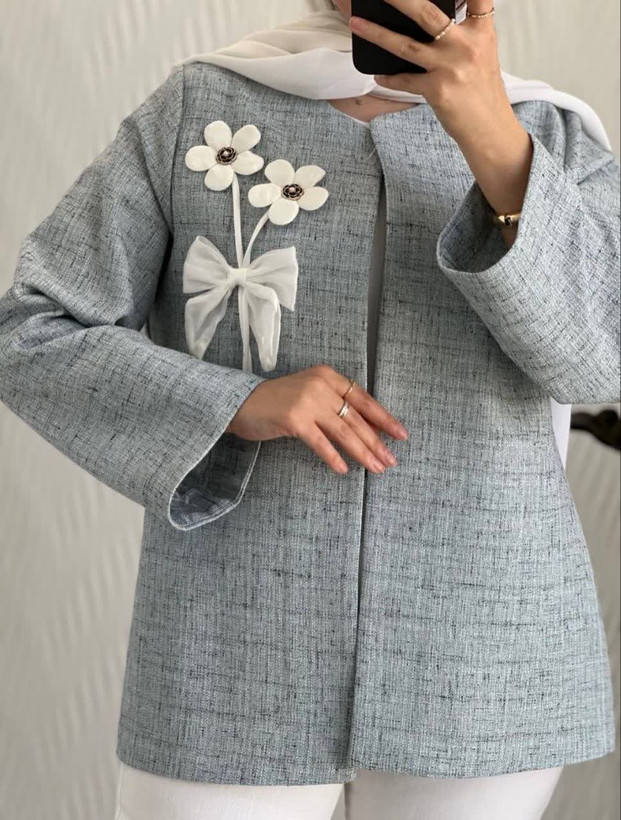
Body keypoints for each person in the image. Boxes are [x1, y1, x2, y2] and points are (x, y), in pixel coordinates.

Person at [0, 1, 618, 819]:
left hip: (483, 655)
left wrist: (495, 142)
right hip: (230, 647)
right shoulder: (200, 106)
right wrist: (237, 401)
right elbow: (31, 330)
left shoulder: (548, 132)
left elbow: (599, 362)